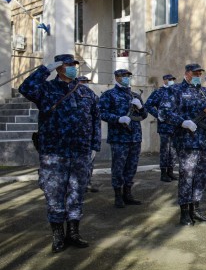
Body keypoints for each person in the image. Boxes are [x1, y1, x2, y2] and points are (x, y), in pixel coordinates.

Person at [19, 54, 101, 253]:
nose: (73, 67)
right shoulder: (46, 89)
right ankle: (58, 236)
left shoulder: (86, 92)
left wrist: (94, 146)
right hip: (54, 153)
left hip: (80, 152)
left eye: (75, 64)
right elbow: (25, 88)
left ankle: (73, 233)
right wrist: (44, 70)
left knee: (77, 194)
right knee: (54, 195)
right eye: (68, 64)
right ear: (58, 67)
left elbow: (95, 120)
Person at [161, 63, 206, 225]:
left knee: (201, 176)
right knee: (187, 176)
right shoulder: (176, 90)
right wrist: (182, 122)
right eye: (195, 73)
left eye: (200, 73)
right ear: (187, 73)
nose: (198, 76)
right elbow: (164, 112)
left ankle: (195, 208)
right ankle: (184, 211)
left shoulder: (205, 92)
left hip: (205, 141)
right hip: (187, 141)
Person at [99, 69, 147, 208]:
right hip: (119, 138)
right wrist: (118, 119)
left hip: (135, 137)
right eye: (123, 76)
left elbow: (143, 115)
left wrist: (141, 107)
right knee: (118, 168)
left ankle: (128, 193)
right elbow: (101, 112)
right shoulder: (109, 95)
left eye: (128, 76)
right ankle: (118, 195)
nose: (126, 78)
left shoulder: (135, 95)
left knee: (132, 167)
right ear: (116, 77)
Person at [145, 74, 178, 182]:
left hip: (175, 125)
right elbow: (148, 105)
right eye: (170, 79)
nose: (172, 81)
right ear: (164, 80)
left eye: (173, 79)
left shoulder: (176, 92)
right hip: (164, 126)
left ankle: (171, 171)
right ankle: (163, 173)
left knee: (173, 150)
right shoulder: (158, 92)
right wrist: (158, 115)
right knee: (165, 149)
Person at [77, 76, 100, 192]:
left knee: (89, 163)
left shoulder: (92, 96)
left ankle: (87, 183)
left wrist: (96, 142)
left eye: (86, 82)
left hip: (89, 137)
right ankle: (77, 186)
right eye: (82, 82)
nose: (85, 84)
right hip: (75, 138)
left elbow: (97, 119)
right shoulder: (71, 95)